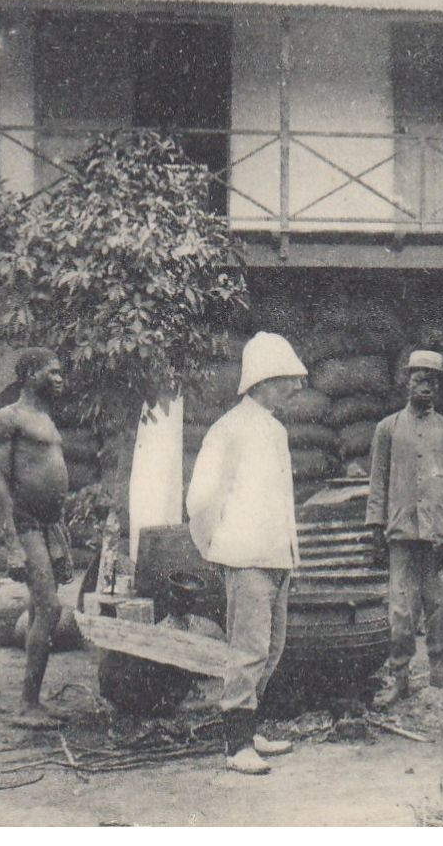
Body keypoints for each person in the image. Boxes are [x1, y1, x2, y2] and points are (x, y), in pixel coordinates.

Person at [186, 331, 307, 775]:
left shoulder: (275, 429)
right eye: (286, 380)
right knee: (248, 649)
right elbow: (201, 497)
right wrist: (218, 545)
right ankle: (236, 745)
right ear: (262, 381)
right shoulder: (229, 429)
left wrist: (290, 551)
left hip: (277, 557)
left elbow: (281, 500)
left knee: (272, 648)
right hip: (245, 557)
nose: (295, 389)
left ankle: (249, 727)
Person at [366, 350, 443, 705]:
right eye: (418, 378)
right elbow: (377, 483)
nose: (425, 385)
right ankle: (400, 677)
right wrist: (375, 528)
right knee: (400, 608)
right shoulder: (388, 429)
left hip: (437, 534)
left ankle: (439, 673)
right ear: (406, 382)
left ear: (439, 386)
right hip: (400, 533)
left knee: (439, 605)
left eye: (432, 380)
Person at [0, 348, 75, 729]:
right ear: (28, 374)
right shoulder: (8, 418)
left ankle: (33, 701)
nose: (59, 378)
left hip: (49, 523)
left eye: (61, 372)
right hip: (25, 524)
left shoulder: (45, 417)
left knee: (41, 610)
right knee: (51, 608)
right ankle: (27, 705)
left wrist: (60, 532)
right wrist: (11, 544)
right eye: (51, 372)